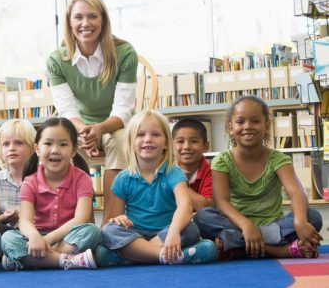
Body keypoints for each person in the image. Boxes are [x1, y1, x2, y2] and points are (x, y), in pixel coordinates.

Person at [46, 0, 138, 225]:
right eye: (78, 17)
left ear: (103, 20)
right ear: (69, 21)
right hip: (78, 127)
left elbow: (123, 111)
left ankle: (109, 222)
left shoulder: (124, 53)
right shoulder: (57, 60)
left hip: (115, 125)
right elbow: (67, 111)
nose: (85, 23)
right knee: (53, 145)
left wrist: (99, 129)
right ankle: (79, 226)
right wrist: (85, 131)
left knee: (118, 142)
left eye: (92, 16)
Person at [194, 95, 323, 261]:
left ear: (267, 126)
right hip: (238, 225)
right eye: (240, 122)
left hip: (273, 226)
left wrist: (299, 222)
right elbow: (221, 203)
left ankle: (238, 246)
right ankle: (278, 250)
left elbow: (297, 193)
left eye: (255, 121)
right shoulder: (222, 160)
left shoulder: (278, 159)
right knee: (202, 217)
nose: (248, 127)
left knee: (312, 217)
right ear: (230, 127)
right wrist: (247, 226)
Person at [98, 110, 217, 267]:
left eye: (155, 134)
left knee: (190, 228)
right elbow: (115, 218)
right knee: (109, 230)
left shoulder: (173, 172)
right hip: (135, 235)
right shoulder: (123, 179)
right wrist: (118, 219)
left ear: (167, 142)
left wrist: (174, 231)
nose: (148, 139)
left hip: (167, 234)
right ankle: (165, 256)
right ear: (131, 142)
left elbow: (185, 206)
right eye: (140, 135)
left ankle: (133, 256)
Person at [0, 117, 102, 270]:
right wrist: (35, 237)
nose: (55, 150)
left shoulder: (83, 179)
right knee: (7, 238)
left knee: (93, 231)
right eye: (48, 143)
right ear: (37, 149)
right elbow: (25, 221)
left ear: (74, 150)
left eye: (63, 144)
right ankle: (66, 260)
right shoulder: (30, 182)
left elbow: (81, 218)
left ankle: (32, 259)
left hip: (67, 237)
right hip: (36, 237)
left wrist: (47, 241)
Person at [0, 119, 36, 232]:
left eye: (19, 143)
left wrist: (24, 214)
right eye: (6, 144)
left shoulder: (43, 178)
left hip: (36, 231)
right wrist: (4, 217)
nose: (11, 148)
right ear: (0, 151)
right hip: (5, 233)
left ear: (32, 148)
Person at [172, 118, 213, 211]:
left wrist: (179, 181)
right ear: (172, 146)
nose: (186, 147)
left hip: (202, 222)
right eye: (180, 141)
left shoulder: (212, 173)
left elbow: (205, 207)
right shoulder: (166, 171)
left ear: (205, 146)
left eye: (194, 141)